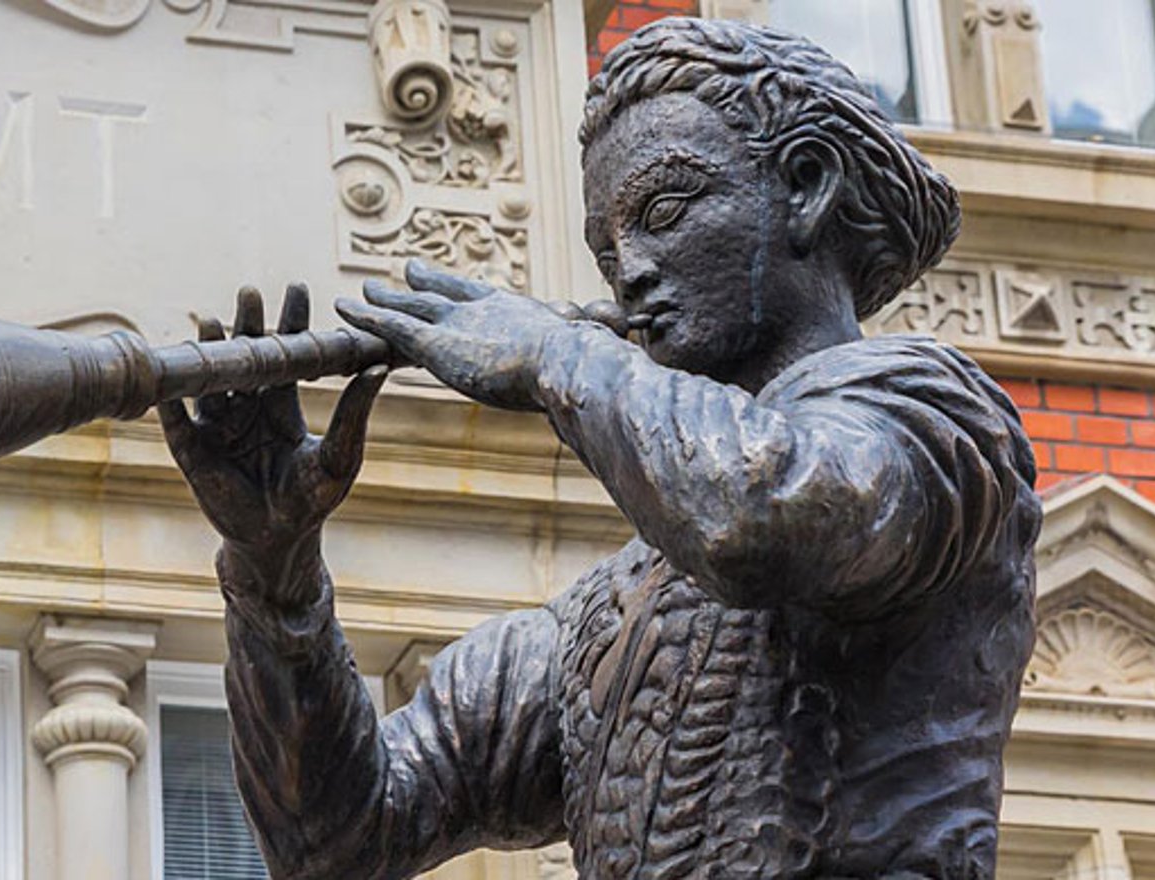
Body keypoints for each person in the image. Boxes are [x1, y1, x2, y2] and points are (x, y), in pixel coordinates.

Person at [157, 17, 1039, 879]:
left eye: (664, 209)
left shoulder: (933, 414)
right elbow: (337, 842)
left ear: (806, 185)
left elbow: (763, 514)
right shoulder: (599, 624)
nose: (631, 271)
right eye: (608, 247)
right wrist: (274, 568)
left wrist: (552, 353)